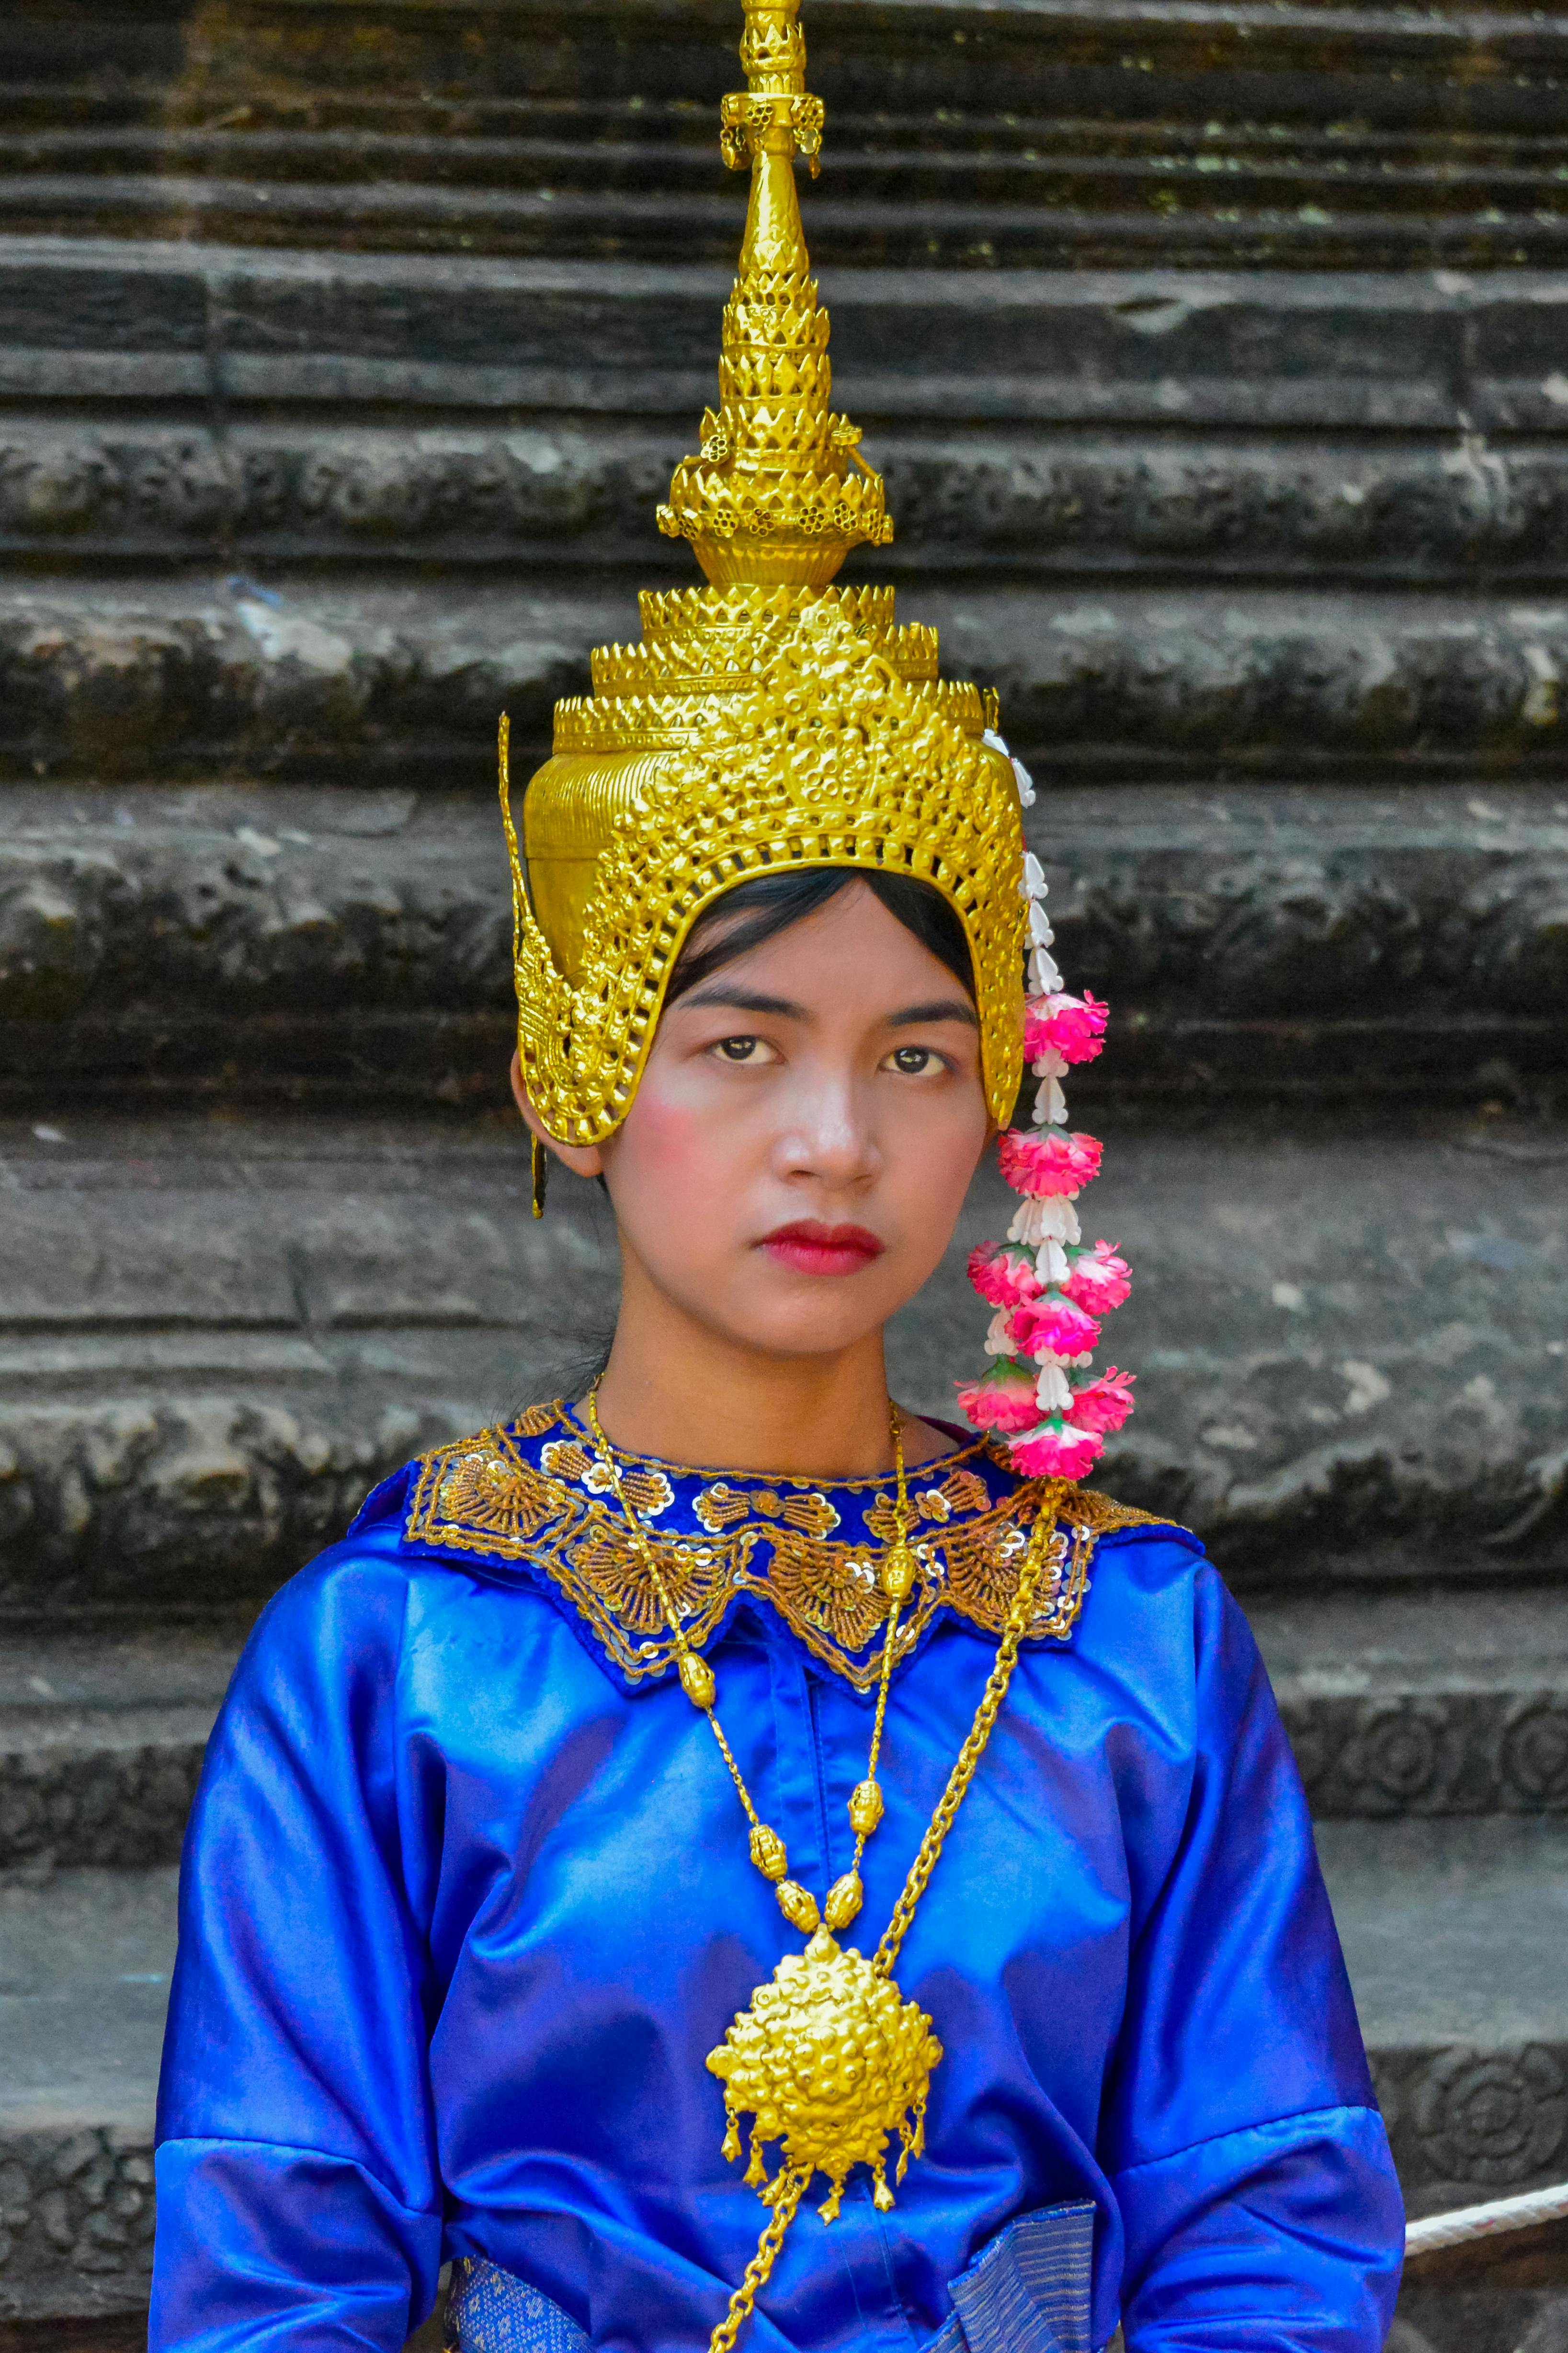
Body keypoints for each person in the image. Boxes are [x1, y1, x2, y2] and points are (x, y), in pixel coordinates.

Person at [149, 4, 1405, 2350]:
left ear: (1008, 1099)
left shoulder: (1128, 1646)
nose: (838, 1138)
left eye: (918, 1055)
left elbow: (1263, 2219)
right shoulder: (404, 1663)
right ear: (572, 1071)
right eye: (743, 1045)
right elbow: (275, 2267)